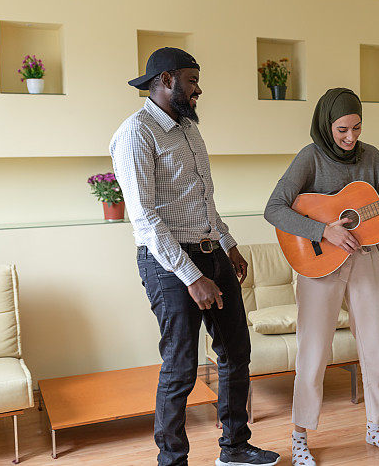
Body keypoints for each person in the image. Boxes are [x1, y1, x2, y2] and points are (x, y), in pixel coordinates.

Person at [110, 47, 279, 466]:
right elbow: (145, 219)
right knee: (182, 366)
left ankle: (235, 447)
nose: (198, 89)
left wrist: (228, 244)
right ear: (166, 80)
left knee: (236, 353)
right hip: (170, 265)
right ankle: (172, 460)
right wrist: (190, 275)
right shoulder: (136, 133)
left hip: (212, 254)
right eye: (192, 80)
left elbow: (202, 199)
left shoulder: (189, 128)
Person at [264, 87, 379, 466]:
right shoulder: (310, 157)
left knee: (374, 344)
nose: (351, 138)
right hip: (320, 266)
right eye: (342, 130)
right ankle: (300, 436)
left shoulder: (371, 157)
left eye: (356, 128)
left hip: (366, 259)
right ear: (326, 125)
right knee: (314, 351)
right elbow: (274, 209)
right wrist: (325, 232)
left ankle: (375, 427)